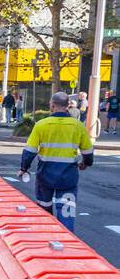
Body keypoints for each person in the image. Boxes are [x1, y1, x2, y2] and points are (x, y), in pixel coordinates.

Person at [19, 91, 94, 232]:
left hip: (45, 176)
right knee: (67, 213)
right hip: (68, 178)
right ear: (67, 106)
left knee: (44, 210)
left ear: (52, 105)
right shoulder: (77, 126)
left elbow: (30, 151)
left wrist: (24, 168)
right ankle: (67, 244)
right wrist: (86, 163)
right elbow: (88, 152)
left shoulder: (41, 125)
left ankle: (48, 239)